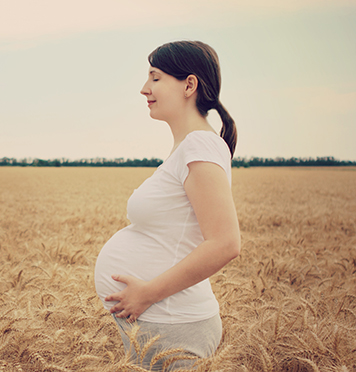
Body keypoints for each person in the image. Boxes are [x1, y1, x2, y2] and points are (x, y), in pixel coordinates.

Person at [94, 40, 241, 371]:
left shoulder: (200, 145)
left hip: (174, 324)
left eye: (155, 77)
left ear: (189, 85)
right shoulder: (189, 146)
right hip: (163, 320)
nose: (145, 89)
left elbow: (226, 243)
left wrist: (147, 293)